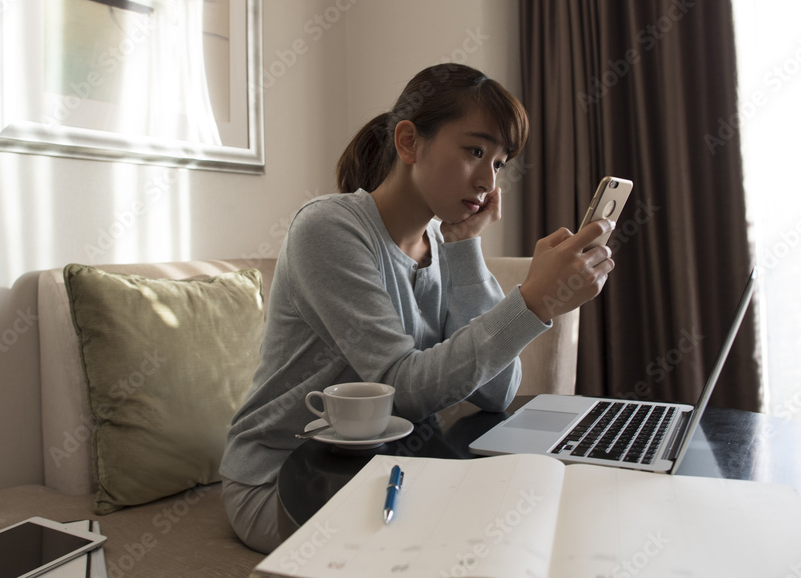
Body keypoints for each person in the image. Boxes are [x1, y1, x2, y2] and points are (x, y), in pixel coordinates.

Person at [218, 63, 615, 553]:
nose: (487, 181)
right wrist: (532, 302)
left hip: (387, 467)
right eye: (474, 150)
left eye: (499, 162)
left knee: (534, 521)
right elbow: (399, 388)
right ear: (408, 142)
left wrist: (465, 247)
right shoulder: (328, 230)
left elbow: (497, 392)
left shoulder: (441, 240)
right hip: (285, 477)